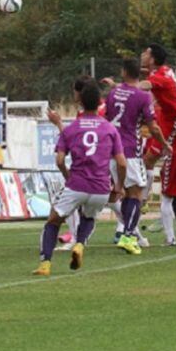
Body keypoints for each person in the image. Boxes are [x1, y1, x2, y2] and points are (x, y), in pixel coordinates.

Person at [33, 82, 126, 277]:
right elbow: (122, 163)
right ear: (99, 103)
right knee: (89, 217)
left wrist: (69, 177)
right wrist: (118, 186)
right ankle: (80, 244)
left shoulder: (71, 129)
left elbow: (59, 161)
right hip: (101, 188)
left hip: (77, 184)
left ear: (80, 103)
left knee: (53, 221)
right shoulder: (109, 129)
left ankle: (45, 264)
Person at [106, 58, 170, 254]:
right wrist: (165, 144)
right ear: (138, 74)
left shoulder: (113, 93)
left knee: (124, 193)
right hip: (130, 151)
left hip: (111, 150)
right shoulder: (143, 97)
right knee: (136, 194)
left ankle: (129, 235)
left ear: (124, 72)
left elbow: (108, 120)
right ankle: (128, 235)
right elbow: (153, 126)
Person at [139, 43, 176, 245]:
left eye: (145, 52)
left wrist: (124, 88)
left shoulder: (158, 78)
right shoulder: (165, 71)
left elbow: (146, 85)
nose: (142, 55)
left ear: (152, 58)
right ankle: (146, 200)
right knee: (153, 164)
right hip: (171, 119)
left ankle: (143, 199)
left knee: (160, 167)